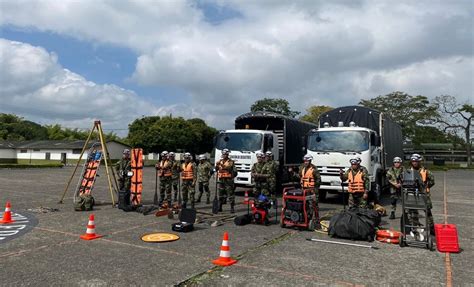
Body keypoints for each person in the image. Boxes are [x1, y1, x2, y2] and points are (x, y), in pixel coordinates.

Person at [405, 153, 435, 233]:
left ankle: (432, 228)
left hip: (423, 194)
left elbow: (432, 181)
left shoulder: (425, 171)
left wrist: (426, 187)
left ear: (419, 161)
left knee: (428, 211)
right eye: (413, 161)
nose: (414, 162)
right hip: (412, 194)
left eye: (416, 161)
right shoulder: (408, 171)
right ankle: (415, 227)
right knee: (413, 211)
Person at [298, 154, 322, 228]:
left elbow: (318, 180)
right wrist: (292, 173)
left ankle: (316, 220)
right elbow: (300, 176)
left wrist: (315, 189)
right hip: (304, 189)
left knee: (314, 205)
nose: (306, 162)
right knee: (305, 204)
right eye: (305, 161)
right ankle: (306, 218)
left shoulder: (314, 169)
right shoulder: (301, 168)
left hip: (312, 190)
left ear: (310, 161)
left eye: (307, 161)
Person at [215, 148, 237, 213]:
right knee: (221, 194)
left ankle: (232, 207)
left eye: (225, 154)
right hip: (221, 180)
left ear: (227, 155)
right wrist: (216, 166)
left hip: (228, 180)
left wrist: (220, 164)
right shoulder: (220, 161)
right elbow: (217, 169)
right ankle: (220, 207)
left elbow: (228, 167)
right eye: (223, 154)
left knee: (230, 194)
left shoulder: (231, 161)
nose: (224, 155)